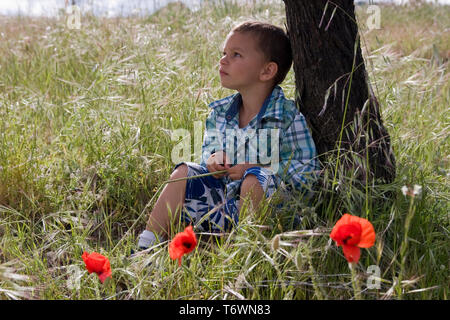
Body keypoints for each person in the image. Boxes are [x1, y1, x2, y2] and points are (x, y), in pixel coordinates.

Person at [137, 21, 318, 250]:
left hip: (273, 214)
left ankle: (245, 252)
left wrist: (256, 169)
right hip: (224, 203)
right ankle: (146, 246)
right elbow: (208, 152)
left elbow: (308, 171)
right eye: (224, 53)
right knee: (183, 172)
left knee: (254, 180)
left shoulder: (287, 117)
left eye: (236, 55)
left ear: (267, 71)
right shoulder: (220, 113)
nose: (223, 60)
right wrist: (214, 159)